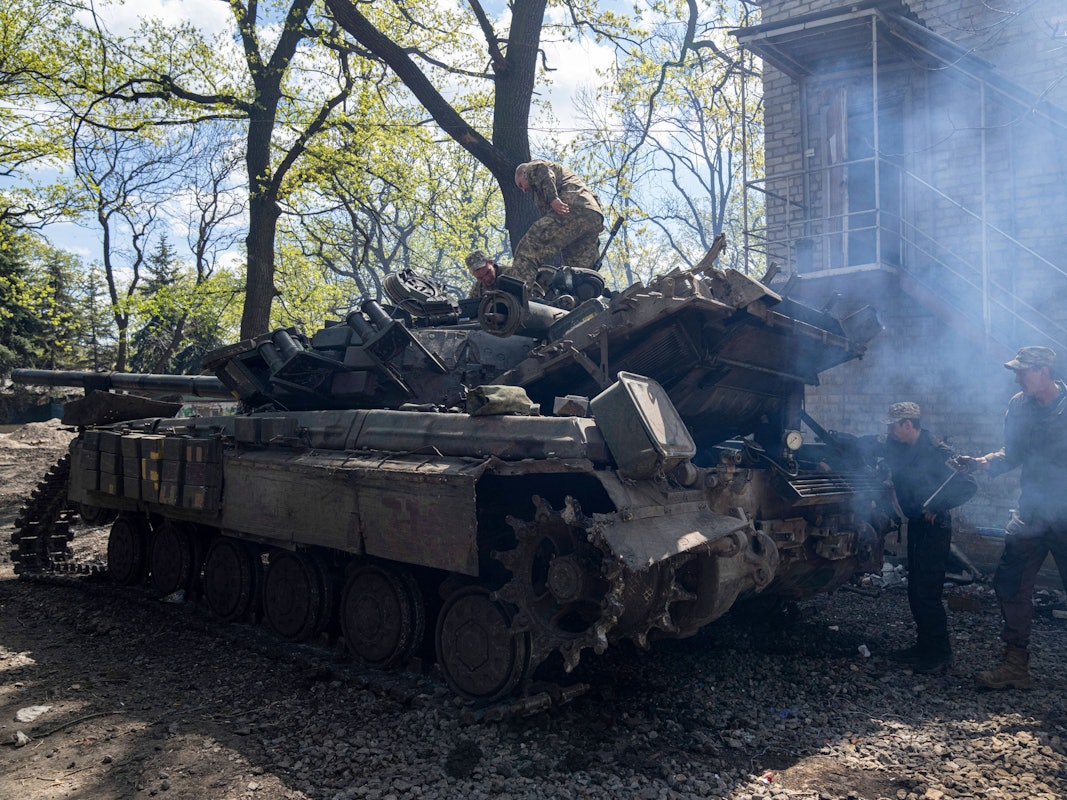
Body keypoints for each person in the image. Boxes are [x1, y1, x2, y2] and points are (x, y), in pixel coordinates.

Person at [955, 345, 1067, 690]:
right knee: (1009, 583)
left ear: (1045, 372)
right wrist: (982, 462)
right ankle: (1015, 665)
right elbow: (1013, 453)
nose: (1017, 379)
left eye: (1023, 372)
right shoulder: (1018, 406)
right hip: (1032, 512)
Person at [882, 401, 977, 674]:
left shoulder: (938, 452)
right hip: (916, 525)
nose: (890, 431)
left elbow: (969, 485)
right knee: (916, 588)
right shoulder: (900, 447)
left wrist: (937, 506)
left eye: (893, 426)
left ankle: (940, 653)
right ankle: (924, 646)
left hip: (935, 527)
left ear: (908, 425)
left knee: (928, 590)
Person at [512, 160, 605, 294]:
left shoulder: (531, 168)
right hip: (591, 216)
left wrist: (553, 199)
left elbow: (541, 169)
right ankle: (584, 298)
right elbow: (592, 195)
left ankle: (518, 296)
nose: (524, 190)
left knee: (529, 247)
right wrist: (599, 218)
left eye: (521, 184)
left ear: (523, 174)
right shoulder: (568, 177)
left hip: (570, 208)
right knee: (578, 272)